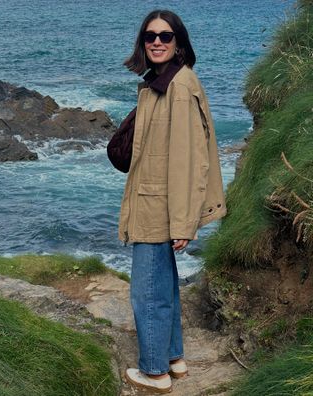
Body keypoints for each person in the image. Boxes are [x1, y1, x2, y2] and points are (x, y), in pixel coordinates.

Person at [117, 9, 227, 393]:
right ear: (142, 42)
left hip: (159, 206)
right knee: (163, 284)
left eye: (166, 36)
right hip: (157, 201)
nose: (158, 42)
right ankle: (173, 358)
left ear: (179, 41)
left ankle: (154, 372)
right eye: (150, 36)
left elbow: (189, 161)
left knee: (147, 290)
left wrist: (183, 222)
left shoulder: (178, 87)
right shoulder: (164, 82)